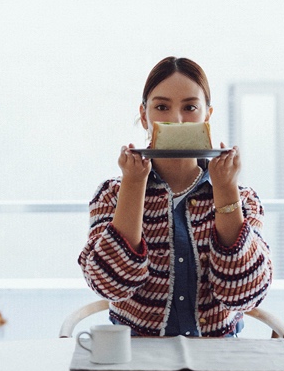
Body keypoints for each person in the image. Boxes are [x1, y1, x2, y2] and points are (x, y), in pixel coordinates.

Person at [78, 56, 272, 337]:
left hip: (218, 357)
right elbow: (110, 286)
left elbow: (245, 294)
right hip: (136, 356)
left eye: (190, 107)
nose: (177, 120)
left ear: (207, 115)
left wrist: (226, 190)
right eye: (161, 107)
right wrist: (133, 186)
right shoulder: (112, 194)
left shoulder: (244, 198)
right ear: (144, 115)